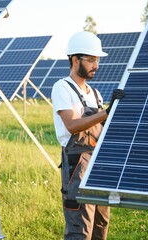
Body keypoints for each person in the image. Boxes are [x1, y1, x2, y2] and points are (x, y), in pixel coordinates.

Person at [51, 31, 125, 240]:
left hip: (98, 164)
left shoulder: (94, 93)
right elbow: (72, 125)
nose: (96, 65)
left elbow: (103, 126)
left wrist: (115, 111)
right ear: (75, 60)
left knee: (101, 224)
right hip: (78, 166)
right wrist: (105, 112)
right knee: (80, 228)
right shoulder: (62, 88)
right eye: (91, 60)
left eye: (97, 60)